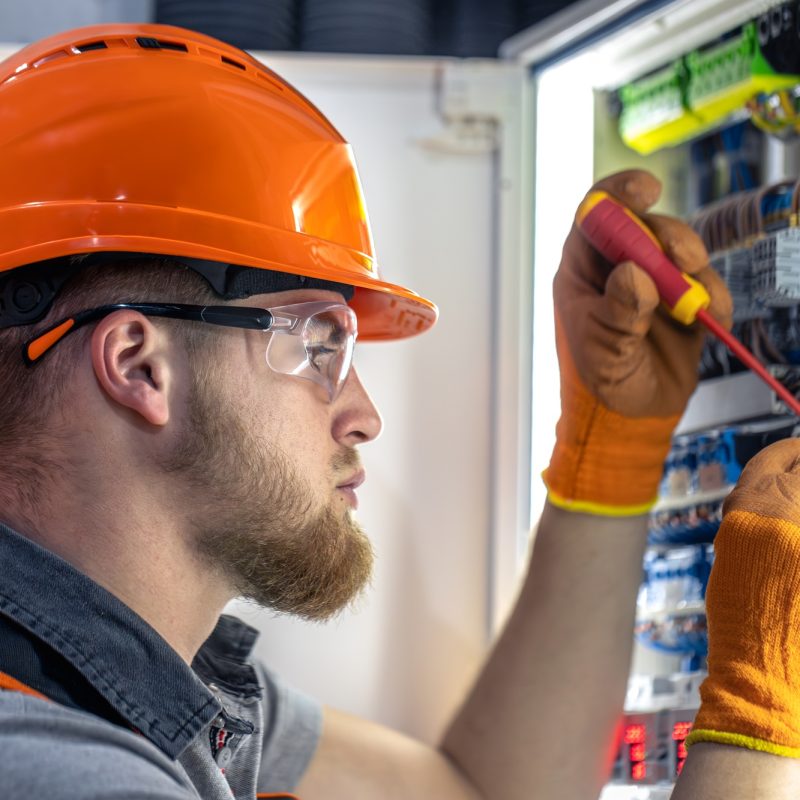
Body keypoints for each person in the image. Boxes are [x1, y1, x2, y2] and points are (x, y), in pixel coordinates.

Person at [1, 20, 799, 800]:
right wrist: (759, 718)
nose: (362, 415)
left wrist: (608, 460)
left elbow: (482, 792)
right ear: (140, 366)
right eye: (318, 345)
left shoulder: (153, 688)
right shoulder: (53, 765)